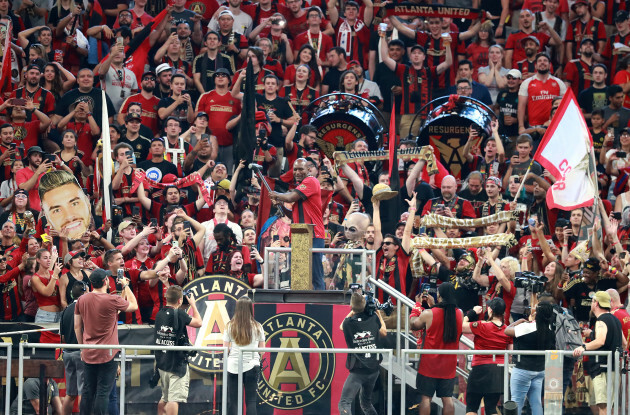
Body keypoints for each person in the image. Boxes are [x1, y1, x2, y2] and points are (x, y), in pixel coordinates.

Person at [74, 268, 138, 415]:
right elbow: (134, 306)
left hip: (88, 351)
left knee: (88, 391)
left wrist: (82, 348)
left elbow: (77, 326)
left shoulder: (82, 299)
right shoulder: (112, 300)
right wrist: (126, 286)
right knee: (103, 391)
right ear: (106, 281)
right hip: (107, 353)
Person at [269, 158, 326, 289]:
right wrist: (281, 206)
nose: (297, 172)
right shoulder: (301, 188)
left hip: (313, 235)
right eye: (295, 169)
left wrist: (276, 195)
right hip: (299, 235)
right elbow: (293, 215)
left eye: (301, 169)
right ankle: (301, 303)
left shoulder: (311, 181)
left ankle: (322, 305)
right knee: (298, 275)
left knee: (315, 275)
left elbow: (290, 197)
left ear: (309, 170)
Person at [411, 282, 463, 415]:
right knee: (447, 399)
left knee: (426, 398)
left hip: (429, 364)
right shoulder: (459, 313)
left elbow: (414, 324)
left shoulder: (429, 313)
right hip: (449, 365)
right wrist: (434, 305)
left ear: (439, 295)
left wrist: (417, 306)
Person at [154, 286, 202, 415]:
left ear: (166, 297)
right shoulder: (179, 314)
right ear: (180, 300)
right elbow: (198, 322)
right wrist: (193, 305)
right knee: (174, 399)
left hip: (162, 362)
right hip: (176, 363)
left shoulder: (160, 313)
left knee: (164, 398)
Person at [573, 291, 623, 415]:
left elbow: (600, 341)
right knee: (608, 407)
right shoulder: (615, 320)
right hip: (613, 369)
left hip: (602, 368)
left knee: (603, 407)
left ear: (596, 303)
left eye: (593, 301)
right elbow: (625, 343)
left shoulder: (601, 320)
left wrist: (583, 347)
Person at [338, 291, 387, 415]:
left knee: (344, 403)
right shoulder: (373, 318)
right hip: (374, 370)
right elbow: (384, 332)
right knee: (366, 403)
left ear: (351, 307)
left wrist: (354, 310)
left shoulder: (349, 323)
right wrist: (378, 313)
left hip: (358, 371)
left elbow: (341, 326)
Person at [462, 298, 513, 415]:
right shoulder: (507, 330)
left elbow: (460, 326)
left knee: (471, 408)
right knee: (491, 409)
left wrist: (472, 313)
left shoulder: (482, 325)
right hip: (498, 371)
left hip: (480, 369)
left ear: (490, 310)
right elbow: (510, 355)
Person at [505, 302, 556, 415]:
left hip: (523, 369)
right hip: (539, 370)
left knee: (516, 401)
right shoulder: (550, 330)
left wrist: (520, 321)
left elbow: (507, 330)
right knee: (536, 402)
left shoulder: (527, 327)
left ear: (537, 313)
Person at [223, 296, 265, 415]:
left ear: (237, 309)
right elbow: (262, 351)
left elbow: (225, 349)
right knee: (251, 401)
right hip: (252, 365)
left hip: (233, 365)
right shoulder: (258, 326)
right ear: (250, 309)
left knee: (233, 401)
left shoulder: (229, 326)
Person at [38, 170, 91, 240]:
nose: (69, 217)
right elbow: (40, 241)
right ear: (46, 214)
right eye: (57, 210)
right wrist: (49, 238)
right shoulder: (43, 222)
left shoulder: (95, 220)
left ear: (87, 202)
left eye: (74, 204)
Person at [59, 283, 87, 415]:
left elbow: (62, 337)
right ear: (85, 292)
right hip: (80, 353)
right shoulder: (84, 308)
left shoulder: (65, 310)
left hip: (67, 353)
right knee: (83, 392)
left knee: (70, 393)